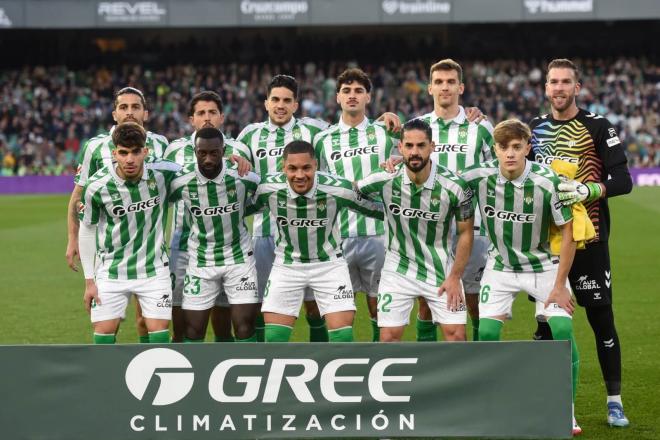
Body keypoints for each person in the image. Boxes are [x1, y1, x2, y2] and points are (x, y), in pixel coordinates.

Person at [529, 58, 633, 428]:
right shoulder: (534, 130)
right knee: (545, 324)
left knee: (601, 319)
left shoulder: (597, 127)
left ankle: (614, 401)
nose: (558, 88)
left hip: (590, 240)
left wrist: (589, 188)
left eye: (565, 82)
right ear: (546, 88)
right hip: (547, 246)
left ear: (577, 87)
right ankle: (543, 398)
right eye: (552, 82)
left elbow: (623, 179)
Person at [461, 119, 581, 436]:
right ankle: (489, 404)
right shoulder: (478, 178)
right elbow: (439, 178)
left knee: (562, 329)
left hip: (544, 264)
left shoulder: (548, 182)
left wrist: (559, 286)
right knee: (486, 333)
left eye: (517, 147)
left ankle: (565, 409)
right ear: (495, 149)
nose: (510, 154)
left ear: (528, 147)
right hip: (500, 266)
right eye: (504, 147)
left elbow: (570, 232)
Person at [245, 140, 384, 343]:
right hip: (287, 265)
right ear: (283, 167)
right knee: (274, 338)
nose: (299, 175)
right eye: (292, 168)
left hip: (329, 265)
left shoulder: (338, 189)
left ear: (316, 166)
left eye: (306, 168)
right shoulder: (268, 188)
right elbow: (241, 209)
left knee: (343, 337)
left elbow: (377, 209)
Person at [356, 119, 473, 342]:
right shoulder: (385, 179)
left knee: (457, 336)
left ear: (433, 146)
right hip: (397, 270)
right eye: (409, 146)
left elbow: (466, 232)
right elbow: (356, 193)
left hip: (441, 270)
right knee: (389, 337)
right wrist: (381, 212)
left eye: (421, 145)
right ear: (400, 148)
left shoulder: (455, 186)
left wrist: (455, 277)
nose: (415, 152)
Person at [67, 87, 168, 343]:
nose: (130, 112)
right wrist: (73, 238)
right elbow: (78, 197)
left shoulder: (161, 144)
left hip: (150, 253)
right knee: (108, 325)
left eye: (135, 107)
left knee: (146, 320)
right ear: (115, 113)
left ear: (145, 113)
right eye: (124, 107)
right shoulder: (95, 147)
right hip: (110, 253)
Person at [237, 75, 331, 342]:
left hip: (308, 233)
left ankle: (321, 361)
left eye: (286, 100)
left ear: (296, 104)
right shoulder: (249, 134)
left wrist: (385, 123)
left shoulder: (315, 131)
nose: (280, 105)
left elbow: (346, 136)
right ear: (266, 103)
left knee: (314, 307)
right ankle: (262, 365)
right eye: (275, 99)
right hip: (264, 231)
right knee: (260, 304)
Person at [313, 68, 398, 341]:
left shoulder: (386, 132)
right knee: (339, 310)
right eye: (346, 91)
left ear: (368, 97)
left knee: (378, 306)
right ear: (337, 97)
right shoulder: (323, 140)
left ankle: (380, 360)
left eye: (358, 91)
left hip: (380, 233)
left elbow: (418, 148)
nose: (352, 96)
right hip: (338, 237)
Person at [414, 59, 494, 342]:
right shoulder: (418, 128)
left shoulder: (481, 128)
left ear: (461, 87)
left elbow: (497, 175)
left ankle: (480, 368)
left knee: (476, 303)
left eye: (450, 82)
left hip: (474, 230)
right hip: (429, 230)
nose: (444, 87)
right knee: (426, 302)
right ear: (430, 88)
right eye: (439, 82)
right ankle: (428, 367)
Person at [78, 122, 179, 344]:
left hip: (153, 270)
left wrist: (234, 160)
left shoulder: (163, 173)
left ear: (146, 151)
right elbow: (86, 231)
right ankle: (106, 378)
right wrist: (89, 281)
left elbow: (201, 168)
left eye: (135, 152)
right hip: (111, 270)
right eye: (123, 153)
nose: (130, 159)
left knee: (159, 332)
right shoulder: (97, 185)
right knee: (104, 332)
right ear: (115, 153)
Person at [165, 91, 251, 342]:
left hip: (229, 245)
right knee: (182, 314)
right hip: (183, 245)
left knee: (224, 316)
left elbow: (250, 190)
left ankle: (221, 357)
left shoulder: (239, 149)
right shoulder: (175, 150)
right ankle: (182, 362)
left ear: (222, 117)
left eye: (212, 112)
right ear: (191, 119)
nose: (207, 118)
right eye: (201, 113)